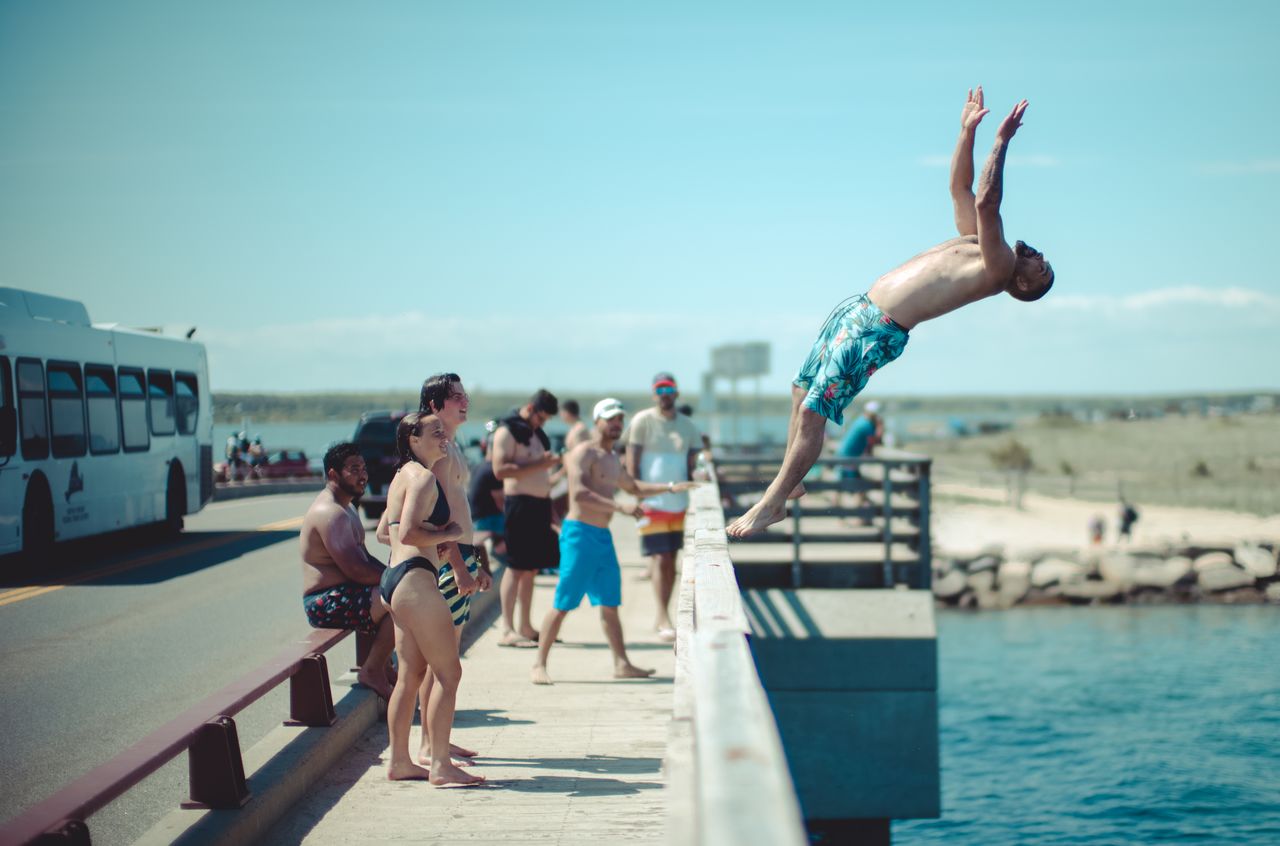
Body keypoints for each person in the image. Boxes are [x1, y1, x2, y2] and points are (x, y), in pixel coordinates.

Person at [728, 88, 1054, 537]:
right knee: (799, 390)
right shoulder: (977, 243)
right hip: (855, 310)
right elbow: (960, 189)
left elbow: (986, 201)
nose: (1040, 257)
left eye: (1043, 269)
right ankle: (794, 485)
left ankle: (772, 501)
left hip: (879, 330)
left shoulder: (997, 270)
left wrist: (1002, 141)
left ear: (1022, 285)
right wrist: (966, 132)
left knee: (812, 412)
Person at [532, 399, 698, 685]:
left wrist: (671, 487)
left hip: (602, 538)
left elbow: (633, 487)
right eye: (610, 419)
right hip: (579, 535)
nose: (615, 424)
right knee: (563, 602)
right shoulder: (583, 453)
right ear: (597, 421)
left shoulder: (612, 459)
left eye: (619, 419)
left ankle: (622, 664)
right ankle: (539, 664)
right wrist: (620, 507)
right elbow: (580, 494)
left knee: (610, 602)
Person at [376, 412, 483, 785]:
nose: (444, 438)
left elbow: (383, 533)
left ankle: (399, 762)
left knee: (410, 676)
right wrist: (448, 532)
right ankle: (440, 764)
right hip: (416, 582)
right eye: (435, 433)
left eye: (444, 432)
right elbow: (406, 532)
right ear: (413, 440)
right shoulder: (422, 478)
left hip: (394, 579)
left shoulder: (401, 477)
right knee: (449, 673)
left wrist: (425, 544)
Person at [412, 373, 491, 766]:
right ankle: (429, 747)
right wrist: (458, 565)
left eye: (464, 395)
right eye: (455, 396)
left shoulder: (453, 446)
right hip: (448, 561)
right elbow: (439, 517)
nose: (465, 401)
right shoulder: (439, 453)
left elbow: (463, 511)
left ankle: (436, 738)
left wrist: (478, 560)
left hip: (463, 554)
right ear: (434, 406)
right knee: (439, 661)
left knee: (446, 655)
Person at [299, 443, 395, 700]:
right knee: (402, 599)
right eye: (353, 469)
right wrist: (399, 578)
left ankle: (382, 665)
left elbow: (365, 560)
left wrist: (395, 574)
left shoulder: (347, 508)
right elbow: (357, 571)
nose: (362, 475)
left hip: (345, 595)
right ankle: (373, 670)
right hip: (325, 602)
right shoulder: (330, 513)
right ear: (333, 474)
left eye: (363, 468)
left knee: (403, 592)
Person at [626, 373, 702, 641]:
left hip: (679, 502)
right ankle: (662, 616)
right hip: (651, 501)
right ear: (653, 394)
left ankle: (665, 612)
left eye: (670, 388)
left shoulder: (688, 425)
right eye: (660, 389)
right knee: (660, 558)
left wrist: (701, 481)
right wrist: (636, 497)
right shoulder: (642, 421)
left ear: (677, 393)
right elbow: (632, 462)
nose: (665, 393)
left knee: (671, 559)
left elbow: (695, 463)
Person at [491, 389, 562, 647]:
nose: (542, 424)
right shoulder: (507, 432)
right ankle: (508, 628)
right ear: (531, 408)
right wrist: (540, 466)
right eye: (541, 418)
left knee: (531, 567)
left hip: (539, 505)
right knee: (516, 566)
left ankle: (525, 624)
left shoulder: (534, 434)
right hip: (519, 505)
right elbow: (499, 470)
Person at [837, 401, 882, 518]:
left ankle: (841, 517)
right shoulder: (867, 425)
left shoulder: (860, 421)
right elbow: (875, 440)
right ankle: (859, 516)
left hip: (844, 456)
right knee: (858, 487)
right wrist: (880, 426)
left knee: (840, 486)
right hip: (849, 459)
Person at [469, 423, 507, 557]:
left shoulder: (480, 466)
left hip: (476, 519)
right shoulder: (493, 470)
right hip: (488, 521)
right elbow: (500, 503)